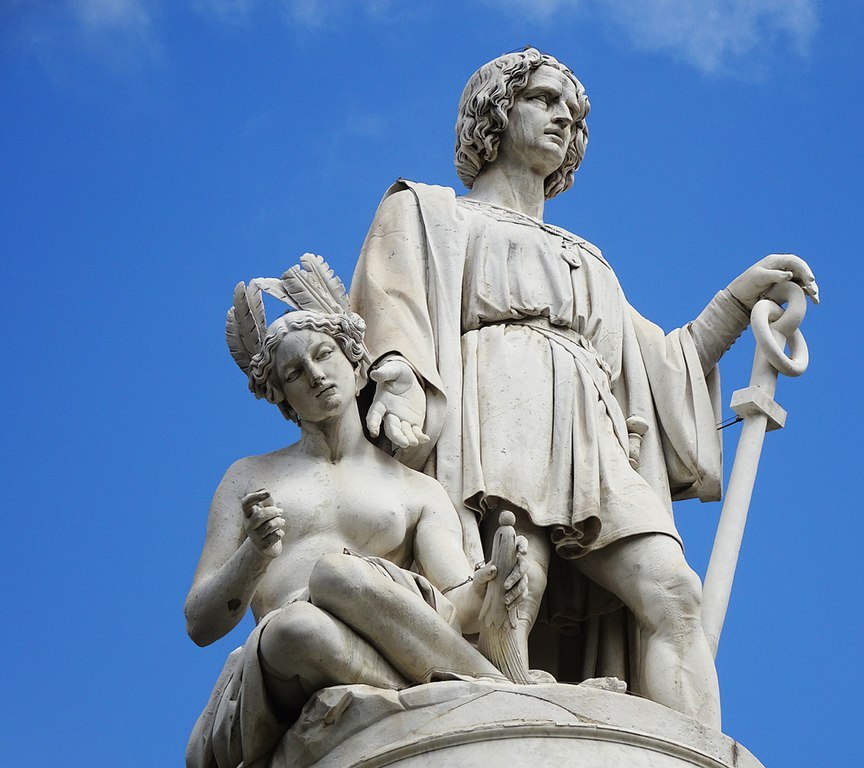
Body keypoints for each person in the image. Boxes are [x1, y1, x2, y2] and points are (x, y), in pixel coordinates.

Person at [350, 48, 818, 729]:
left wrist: (738, 301)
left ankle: (692, 746)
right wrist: (396, 387)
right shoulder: (431, 215)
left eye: (574, 113)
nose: (564, 118)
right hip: (494, 406)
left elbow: (665, 363)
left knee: (674, 594)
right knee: (513, 589)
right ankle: (497, 727)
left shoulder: (588, 258)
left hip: (591, 432)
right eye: (544, 99)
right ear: (496, 111)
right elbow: (392, 311)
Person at [185, 273, 526, 768]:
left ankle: (477, 693)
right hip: (282, 664)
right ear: (281, 395)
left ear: (356, 363)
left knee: (332, 577)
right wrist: (253, 556)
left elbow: (459, 605)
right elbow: (200, 621)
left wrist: (496, 582)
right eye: (295, 373)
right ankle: (489, 693)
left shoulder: (416, 490)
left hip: (378, 640)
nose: (316, 374)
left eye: (323, 355)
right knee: (293, 627)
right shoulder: (248, 477)